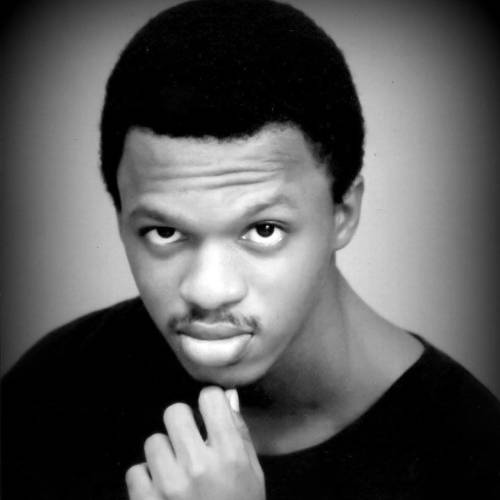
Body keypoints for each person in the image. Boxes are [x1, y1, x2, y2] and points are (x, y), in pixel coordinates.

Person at [2, 0, 500, 499]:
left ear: (343, 213)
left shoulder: (473, 457)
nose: (209, 291)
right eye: (164, 232)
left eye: (263, 230)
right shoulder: (50, 393)